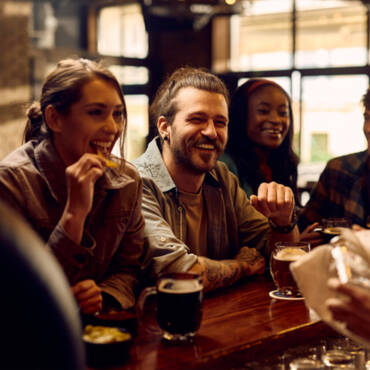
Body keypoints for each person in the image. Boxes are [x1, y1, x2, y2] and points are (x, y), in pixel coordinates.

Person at [134, 67, 300, 292]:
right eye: (197, 119)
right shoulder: (136, 183)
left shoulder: (222, 177)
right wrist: (242, 265)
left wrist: (283, 222)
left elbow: (273, 252)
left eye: (220, 122)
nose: (211, 132)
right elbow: (176, 273)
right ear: (165, 127)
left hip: (225, 317)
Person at [0, 58, 144, 314]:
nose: (113, 128)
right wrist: (74, 214)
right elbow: (13, 293)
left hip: (104, 332)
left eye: (117, 114)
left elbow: (129, 270)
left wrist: (102, 295)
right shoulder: (11, 183)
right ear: (55, 119)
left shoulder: (128, 180)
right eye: (95, 112)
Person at [298, 86, 370, 232]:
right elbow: (304, 227)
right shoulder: (338, 170)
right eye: (368, 118)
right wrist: (299, 241)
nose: (368, 129)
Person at [220, 78, 300, 205]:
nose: (275, 120)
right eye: (263, 111)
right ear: (241, 115)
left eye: (283, 112)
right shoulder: (225, 165)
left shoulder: (278, 163)